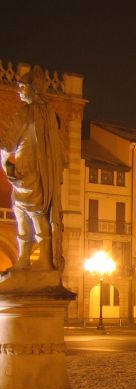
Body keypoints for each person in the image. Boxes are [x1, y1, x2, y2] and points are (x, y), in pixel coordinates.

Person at [0, 65, 66, 271]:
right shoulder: (50, 115)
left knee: (22, 215)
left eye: (22, 87)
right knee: (39, 214)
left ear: (32, 89)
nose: (19, 90)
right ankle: (44, 260)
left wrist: (5, 160)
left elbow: (6, 144)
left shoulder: (26, 114)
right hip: (43, 174)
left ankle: (25, 259)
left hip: (25, 170)